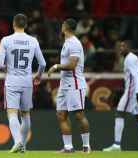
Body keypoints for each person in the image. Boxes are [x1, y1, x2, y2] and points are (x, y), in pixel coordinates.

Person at [0, 13, 46, 153]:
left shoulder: (6, 40)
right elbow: (42, 63)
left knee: (12, 112)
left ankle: (17, 141)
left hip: (12, 81)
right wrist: (39, 75)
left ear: (13, 24)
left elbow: (0, 63)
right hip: (27, 81)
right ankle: (23, 145)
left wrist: (8, 68)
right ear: (26, 25)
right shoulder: (33, 40)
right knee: (25, 114)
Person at [47, 18, 90, 153]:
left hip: (75, 83)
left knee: (79, 115)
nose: (61, 26)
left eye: (62, 24)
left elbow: (72, 65)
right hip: (64, 84)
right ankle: (68, 147)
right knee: (61, 115)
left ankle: (86, 146)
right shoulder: (67, 42)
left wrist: (56, 66)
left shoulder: (75, 43)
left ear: (65, 27)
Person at [103, 41, 138, 151]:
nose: (121, 48)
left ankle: (116, 145)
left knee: (119, 113)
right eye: (119, 46)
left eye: (123, 46)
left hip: (133, 91)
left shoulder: (130, 59)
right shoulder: (132, 58)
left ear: (129, 48)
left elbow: (135, 76)